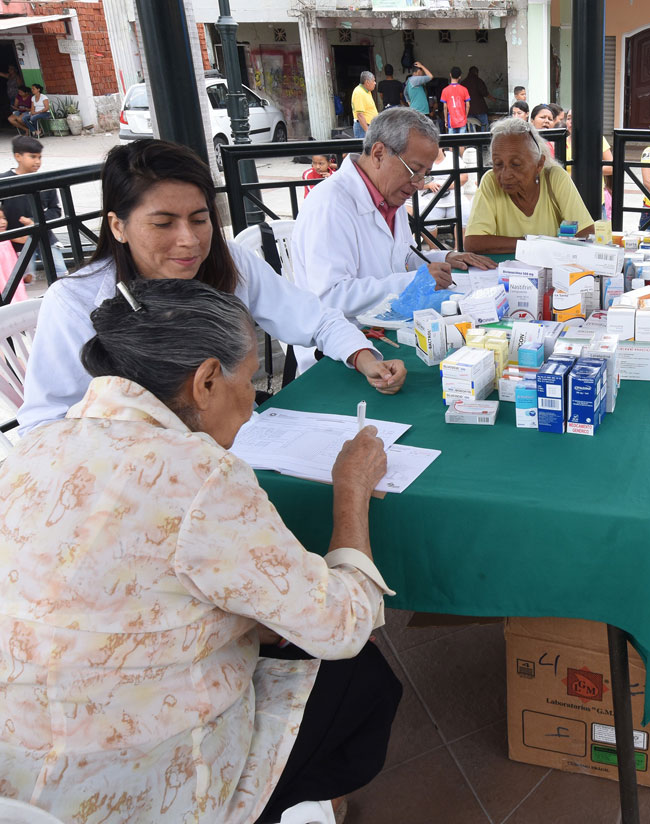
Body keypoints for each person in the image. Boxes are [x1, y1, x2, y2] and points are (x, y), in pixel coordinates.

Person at [0, 277, 402, 824]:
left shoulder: (34, 447)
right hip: (138, 786)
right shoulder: (199, 474)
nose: (252, 399)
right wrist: (351, 490)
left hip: (17, 777)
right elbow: (341, 627)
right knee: (364, 677)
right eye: (251, 379)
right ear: (207, 381)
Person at [16, 139, 406, 436]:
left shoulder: (228, 262)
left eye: (199, 219)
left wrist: (364, 357)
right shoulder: (77, 301)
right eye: (163, 223)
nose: (189, 240)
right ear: (118, 226)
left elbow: (315, 318)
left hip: (244, 445)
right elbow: (43, 422)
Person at [293, 107, 494, 339]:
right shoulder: (330, 204)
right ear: (378, 154)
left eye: (425, 175)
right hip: (343, 341)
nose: (419, 184)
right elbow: (331, 296)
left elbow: (402, 258)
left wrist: (444, 257)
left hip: (391, 324)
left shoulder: (390, 194)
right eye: (415, 171)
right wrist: (412, 282)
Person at [464, 116, 594, 254]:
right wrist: (537, 243)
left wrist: (529, 244)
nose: (505, 174)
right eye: (498, 164)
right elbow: (473, 242)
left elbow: (585, 232)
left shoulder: (554, 177)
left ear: (539, 164)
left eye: (516, 164)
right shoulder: (491, 181)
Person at [1, 135, 66, 278]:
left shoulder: (46, 182)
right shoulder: (4, 182)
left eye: (39, 157)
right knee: (22, 280)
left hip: (45, 237)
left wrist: (34, 220)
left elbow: (56, 210)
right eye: (32, 157)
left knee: (61, 273)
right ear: (18, 156)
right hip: (17, 242)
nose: (37, 161)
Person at [413, 144, 478, 247]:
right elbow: (414, 180)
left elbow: (465, 177)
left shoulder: (452, 157)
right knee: (425, 218)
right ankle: (436, 249)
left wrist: (446, 186)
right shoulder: (422, 159)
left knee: (465, 214)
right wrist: (428, 185)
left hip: (455, 199)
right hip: (429, 201)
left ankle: (459, 249)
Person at [564, 109, 613, 219]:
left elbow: (611, 167)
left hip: (594, 199)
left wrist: (586, 171)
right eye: (568, 118)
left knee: (598, 234)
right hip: (569, 199)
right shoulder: (561, 142)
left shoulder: (598, 140)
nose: (571, 121)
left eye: (575, 118)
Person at [440, 66, 471, 134]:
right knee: (462, 142)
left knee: (452, 141)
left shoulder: (445, 90)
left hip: (451, 121)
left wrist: (445, 120)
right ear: (460, 77)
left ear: (450, 74)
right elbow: (468, 105)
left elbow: (445, 107)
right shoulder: (464, 89)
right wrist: (465, 117)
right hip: (462, 120)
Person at [352, 70, 378, 139]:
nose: (375, 83)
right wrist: (368, 131)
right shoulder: (359, 92)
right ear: (367, 82)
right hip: (363, 128)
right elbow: (360, 115)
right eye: (373, 81)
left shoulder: (367, 91)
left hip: (369, 126)